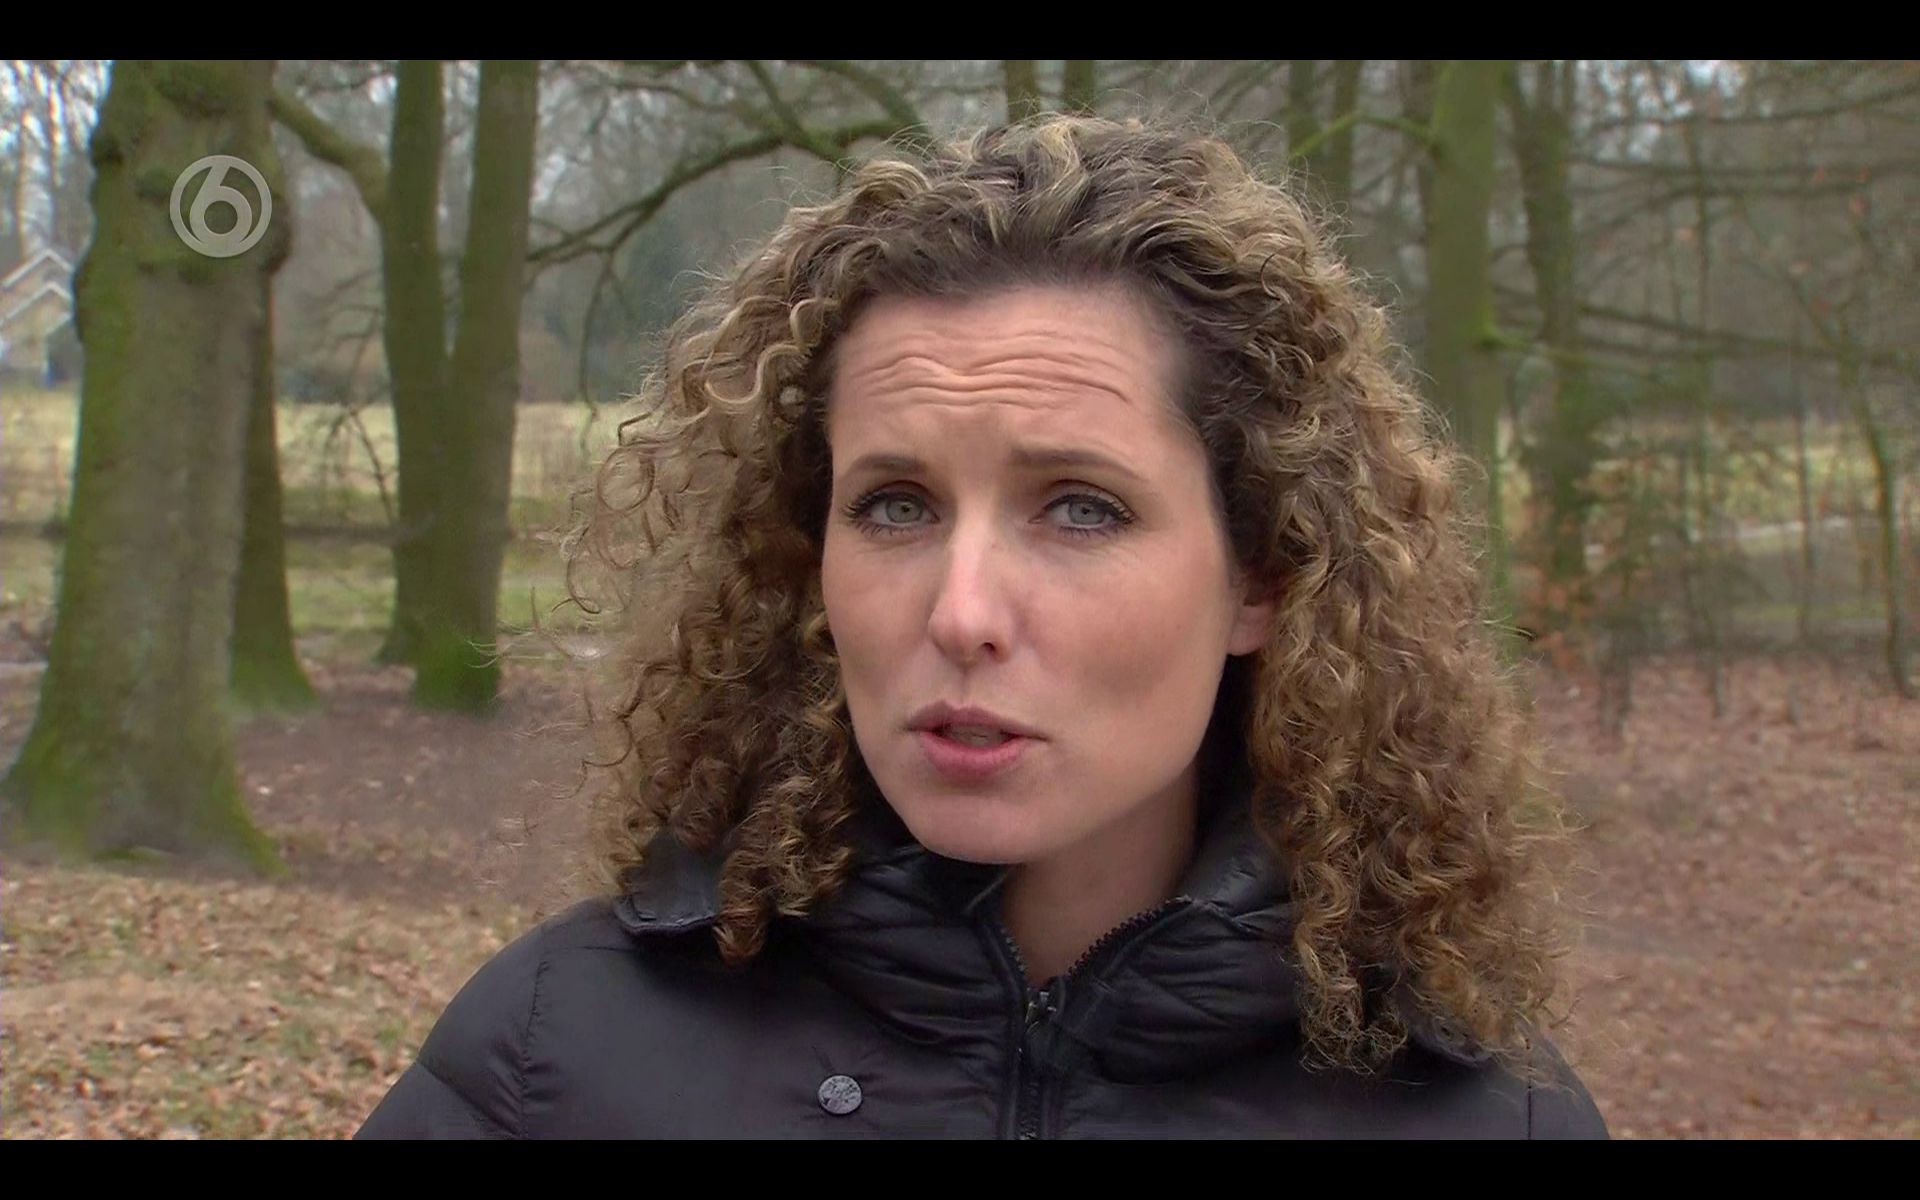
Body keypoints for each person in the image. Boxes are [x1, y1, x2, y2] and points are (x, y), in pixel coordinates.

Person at [356, 113, 1609, 1139]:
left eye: (1080, 508)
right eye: (895, 506)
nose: (961, 614)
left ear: (1262, 577)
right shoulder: (551, 1064)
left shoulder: (1488, 1122)